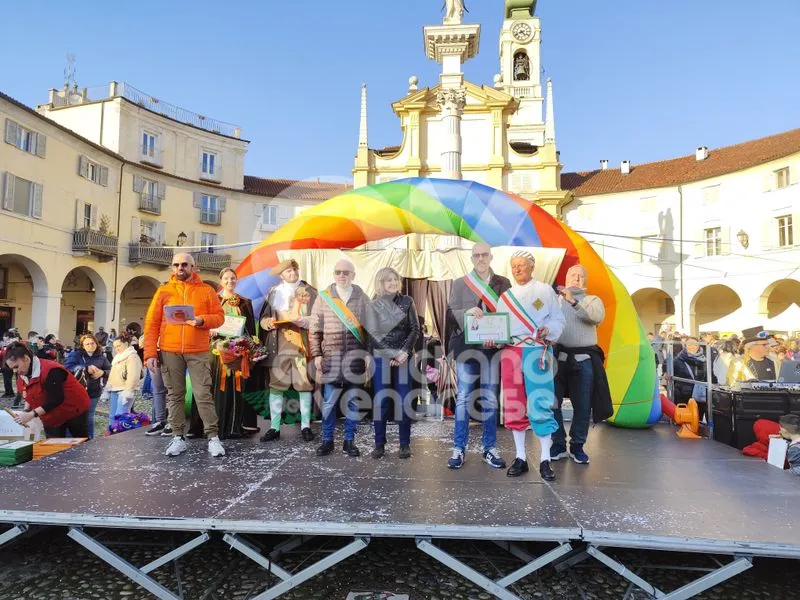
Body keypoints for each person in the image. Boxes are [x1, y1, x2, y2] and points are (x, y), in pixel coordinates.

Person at [143, 252, 226, 457]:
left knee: (202, 394)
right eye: (176, 265)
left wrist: (201, 320)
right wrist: (150, 353)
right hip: (170, 350)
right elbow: (152, 323)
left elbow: (219, 317)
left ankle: (213, 438)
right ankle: (177, 437)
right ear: (172, 267)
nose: (180, 268)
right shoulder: (164, 291)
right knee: (175, 395)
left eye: (184, 265)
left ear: (193, 267)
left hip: (197, 350)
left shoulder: (207, 290)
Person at [498, 251, 565, 480]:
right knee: (515, 402)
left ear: (532, 267)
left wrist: (549, 329)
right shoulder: (505, 297)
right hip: (511, 352)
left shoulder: (544, 291)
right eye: (514, 265)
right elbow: (499, 326)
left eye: (522, 265)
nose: (517, 270)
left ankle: (545, 459)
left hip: (537, 350)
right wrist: (493, 337)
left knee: (541, 402)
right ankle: (520, 457)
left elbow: (558, 319)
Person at [444, 242, 511, 470]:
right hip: (468, 349)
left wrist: (500, 338)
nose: (481, 259)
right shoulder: (460, 283)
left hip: (492, 349)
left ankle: (489, 448)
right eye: (476, 256)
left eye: (484, 255)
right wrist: (466, 313)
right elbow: (450, 315)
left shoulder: (503, 283)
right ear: (471, 259)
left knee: (491, 398)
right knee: (463, 398)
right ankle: (458, 448)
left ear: (491, 257)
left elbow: (508, 314)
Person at [309, 258, 370, 458]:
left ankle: (349, 441)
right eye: (338, 272)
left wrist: (368, 352)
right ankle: (327, 441)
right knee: (329, 403)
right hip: (331, 359)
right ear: (334, 275)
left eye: (346, 272)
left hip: (355, 359)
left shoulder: (362, 297)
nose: (341, 275)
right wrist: (317, 354)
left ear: (353, 275)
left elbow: (371, 329)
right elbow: (315, 329)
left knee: (353, 403)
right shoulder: (323, 298)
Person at [552, 264, 612, 466]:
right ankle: (558, 443)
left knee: (583, 405)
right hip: (558, 357)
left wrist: (573, 301)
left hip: (584, 359)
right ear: (566, 277)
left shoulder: (593, 300)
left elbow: (595, 317)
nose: (576, 278)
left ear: (584, 280)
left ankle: (577, 445)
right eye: (572, 274)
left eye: (580, 276)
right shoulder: (554, 301)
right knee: (552, 403)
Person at [259, 258, 318, 443]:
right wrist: (266, 323)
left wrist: (304, 321)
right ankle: (275, 428)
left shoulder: (310, 291)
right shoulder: (274, 293)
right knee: (276, 386)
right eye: (287, 271)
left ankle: (306, 426)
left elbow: (317, 318)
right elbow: (264, 318)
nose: (292, 273)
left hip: (301, 345)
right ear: (281, 275)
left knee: (303, 385)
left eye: (294, 270)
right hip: (279, 345)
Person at [365, 267, 420, 459]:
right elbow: (373, 335)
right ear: (381, 283)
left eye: (395, 280)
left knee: (405, 401)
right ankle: (380, 444)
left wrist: (404, 352)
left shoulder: (407, 301)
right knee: (382, 403)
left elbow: (415, 329)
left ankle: (404, 444)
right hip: (382, 359)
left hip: (405, 358)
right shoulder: (373, 305)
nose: (393, 283)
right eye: (388, 280)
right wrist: (392, 355)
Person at [212, 267, 260, 439]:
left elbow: (250, 328)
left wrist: (249, 344)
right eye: (226, 278)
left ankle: (236, 426)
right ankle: (219, 427)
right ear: (220, 281)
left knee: (238, 389)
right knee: (220, 388)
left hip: (239, 351)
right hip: (218, 351)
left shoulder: (245, 302)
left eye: (233, 278)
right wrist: (212, 331)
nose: (229, 281)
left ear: (236, 280)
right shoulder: (214, 300)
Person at [5, 341, 90, 438]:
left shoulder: (51, 370)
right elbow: (27, 393)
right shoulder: (23, 374)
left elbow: (56, 399)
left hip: (74, 408)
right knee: (53, 446)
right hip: (51, 415)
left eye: (16, 367)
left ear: (26, 359)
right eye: (12, 368)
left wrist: (32, 414)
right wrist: (26, 410)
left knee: (80, 443)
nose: (15, 371)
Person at [64, 334, 111, 439]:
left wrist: (102, 373)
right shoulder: (76, 355)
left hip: (94, 391)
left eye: (92, 343)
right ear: (82, 345)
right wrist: (85, 368)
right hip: (77, 391)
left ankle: (89, 439)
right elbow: (67, 368)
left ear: (96, 343)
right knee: (74, 415)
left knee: (89, 416)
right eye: (87, 344)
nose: (90, 345)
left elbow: (110, 370)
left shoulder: (101, 357)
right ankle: (69, 438)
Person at [673, 336, 717, 419]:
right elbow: (672, 376)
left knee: (698, 419)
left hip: (700, 396)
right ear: (685, 346)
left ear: (699, 346)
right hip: (684, 396)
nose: (692, 347)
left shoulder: (705, 359)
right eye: (689, 344)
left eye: (695, 345)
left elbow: (710, 375)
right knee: (684, 419)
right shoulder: (678, 360)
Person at [103, 333, 143, 421]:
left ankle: (120, 434)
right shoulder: (117, 357)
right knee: (113, 416)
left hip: (125, 390)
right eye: (115, 346)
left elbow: (133, 376)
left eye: (119, 345)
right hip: (115, 389)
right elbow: (112, 375)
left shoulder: (132, 356)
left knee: (120, 416)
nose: (117, 348)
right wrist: (107, 389)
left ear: (125, 344)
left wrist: (128, 391)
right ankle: (111, 434)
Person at [143, 327, 171, 436]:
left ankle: (173, 422)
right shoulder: (154, 319)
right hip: (154, 354)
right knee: (158, 389)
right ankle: (160, 421)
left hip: (170, 354)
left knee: (173, 389)